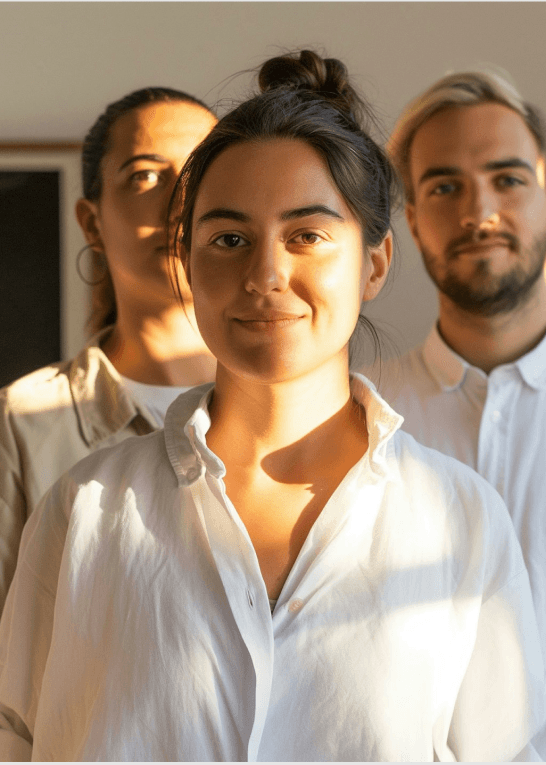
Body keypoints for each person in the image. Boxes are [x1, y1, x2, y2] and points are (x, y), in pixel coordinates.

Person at [0, 51, 543, 762]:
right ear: (188, 266)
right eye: (228, 239)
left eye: (307, 235)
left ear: (374, 262)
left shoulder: (463, 521)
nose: (264, 274)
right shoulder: (85, 510)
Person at [0, 87, 217, 611]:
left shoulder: (298, 409)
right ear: (92, 223)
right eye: (145, 175)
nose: (181, 201)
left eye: (201, 173)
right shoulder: (24, 423)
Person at [381, 70, 546, 756]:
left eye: (507, 178)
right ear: (412, 218)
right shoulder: (354, 416)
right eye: (444, 187)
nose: (480, 211)